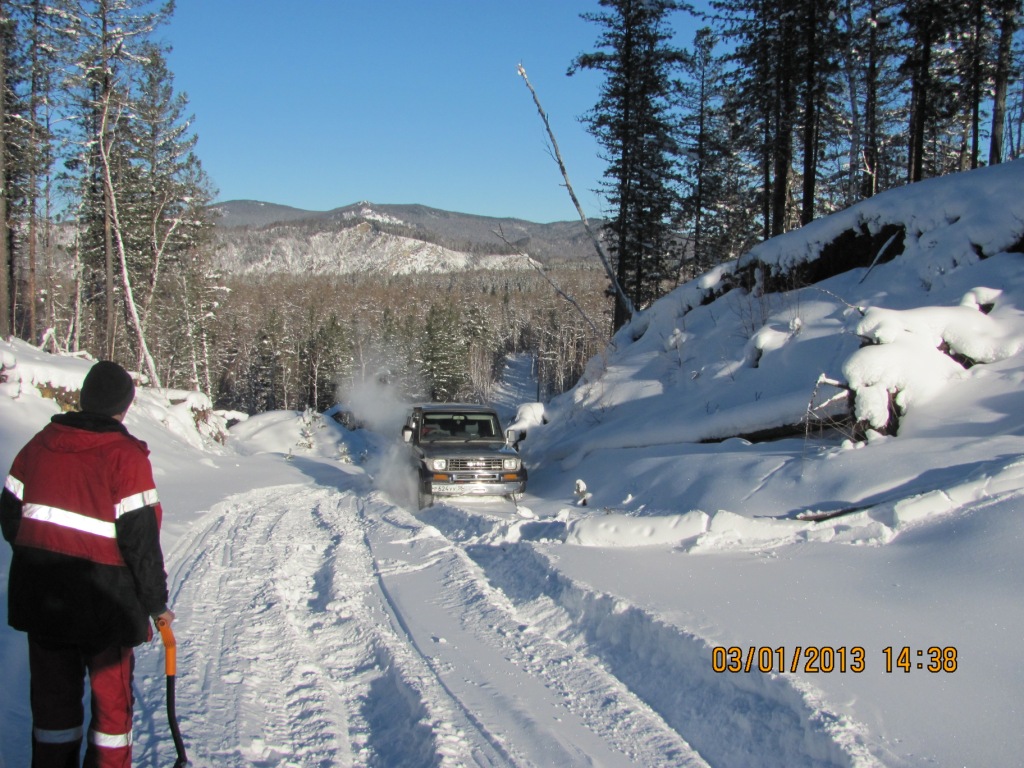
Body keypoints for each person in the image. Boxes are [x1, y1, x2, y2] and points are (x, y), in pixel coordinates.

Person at [0, 360, 174, 768]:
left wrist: (43, 558)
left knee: (53, 712)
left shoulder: (38, 445)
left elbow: (10, 517)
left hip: (44, 601)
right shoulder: (126, 458)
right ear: (124, 407)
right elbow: (141, 544)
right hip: (106, 608)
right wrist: (157, 606)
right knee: (112, 716)